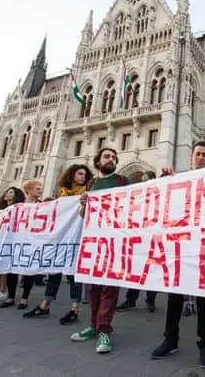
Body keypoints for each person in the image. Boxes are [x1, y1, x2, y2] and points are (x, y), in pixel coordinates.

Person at [149, 141, 205, 369]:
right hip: (181, 246)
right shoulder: (180, 179)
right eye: (197, 154)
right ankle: (170, 339)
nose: (201, 157)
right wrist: (166, 179)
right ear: (191, 156)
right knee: (174, 295)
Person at [70, 148, 129, 354]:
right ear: (98, 161)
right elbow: (82, 215)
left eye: (113, 157)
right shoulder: (92, 184)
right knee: (94, 287)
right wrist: (83, 205)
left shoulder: (123, 181)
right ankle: (94, 326)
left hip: (114, 240)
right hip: (94, 241)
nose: (111, 159)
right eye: (107, 156)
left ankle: (104, 329)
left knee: (109, 287)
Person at [23, 164, 93, 324]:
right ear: (71, 175)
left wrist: (85, 203)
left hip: (77, 237)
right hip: (61, 237)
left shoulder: (87, 194)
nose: (83, 176)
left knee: (73, 273)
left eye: (85, 174)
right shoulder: (63, 193)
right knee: (54, 270)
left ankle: (74, 309)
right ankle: (45, 305)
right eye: (80, 173)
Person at [116, 170, 159, 313]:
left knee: (151, 272)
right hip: (140, 240)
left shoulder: (159, 196)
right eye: (143, 180)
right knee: (136, 271)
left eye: (147, 179)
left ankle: (150, 300)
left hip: (153, 239)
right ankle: (130, 300)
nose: (144, 182)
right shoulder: (139, 197)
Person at [0, 182, 41, 309]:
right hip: (17, 240)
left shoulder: (42, 205)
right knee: (12, 269)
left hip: (33, 241)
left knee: (29, 270)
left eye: (40, 189)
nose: (40, 191)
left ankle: (24, 298)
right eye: (37, 189)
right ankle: (11, 297)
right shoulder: (18, 205)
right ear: (28, 190)